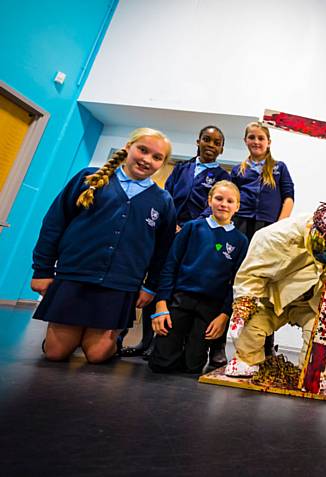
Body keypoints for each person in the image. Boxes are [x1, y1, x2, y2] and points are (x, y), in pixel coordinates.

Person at [31, 128, 176, 363]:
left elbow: (163, 250)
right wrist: (42, 270)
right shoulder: (88, 179)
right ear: (128, 147)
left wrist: (150, 286)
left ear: (162, 164)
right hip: (75, 276)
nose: (147, 159)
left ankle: (111, 336)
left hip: (120, 285)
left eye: (157, 157)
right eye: (142, 150)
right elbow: (53, 224)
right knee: (55, 353)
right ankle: (73, 333)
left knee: (97, 356)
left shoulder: (163, 201)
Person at [223, 203, 326, 380]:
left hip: (317, 306)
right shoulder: (277, 236)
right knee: (249, 327)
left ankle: (312, 371)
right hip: (275, 296)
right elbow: (252, 273)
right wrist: (242, 309)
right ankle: (247, 360)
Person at [120, 125, 230, 365]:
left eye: (216, 142)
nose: (210, 145)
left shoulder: (223, 176)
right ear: (198, 141)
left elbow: (212, 204)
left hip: (195, 234)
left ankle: (165, 343)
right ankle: (145, 341)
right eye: (206, 139)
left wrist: (190, 226)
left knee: (177, 286)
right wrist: (169, 222)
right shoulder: (182, 168)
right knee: (157, 280)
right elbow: (166, 195)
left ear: (221, 149)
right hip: (167, 230)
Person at [148, 180, 248, 374]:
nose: (223, 204)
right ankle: (166, 348)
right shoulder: (192, 228)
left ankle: (191, 353)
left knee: (192, 366)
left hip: (210, 308)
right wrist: (161, 303)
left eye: (230, 201)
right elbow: (170, 265)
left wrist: (224, 315)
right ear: (209, 200)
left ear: (237, 207)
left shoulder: (240, 241)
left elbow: (237, 282)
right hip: (180, 299)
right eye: (218, 198)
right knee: (161, 364)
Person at [228, 121, 296, 358]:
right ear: (246, 140)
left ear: (268, 142)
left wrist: (278, 228)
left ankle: (266, 347)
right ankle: (231, 340)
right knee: (239, 277)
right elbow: (230, 196)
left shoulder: (279, 168)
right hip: (242, 225)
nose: (256, 142)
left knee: (266, 283)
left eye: (261, 138)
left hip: (268, 229)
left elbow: (288, 197)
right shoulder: (238, 170)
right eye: (252, 137)